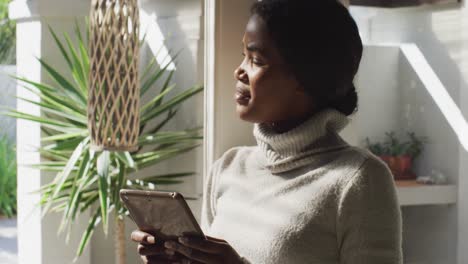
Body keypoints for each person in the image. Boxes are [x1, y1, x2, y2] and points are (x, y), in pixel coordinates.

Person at [131, 0, 403, 263]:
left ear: (304, 77)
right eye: (243, 56)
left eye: (257, 60)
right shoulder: (228, 167)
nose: (239, 71)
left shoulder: (358, 179)